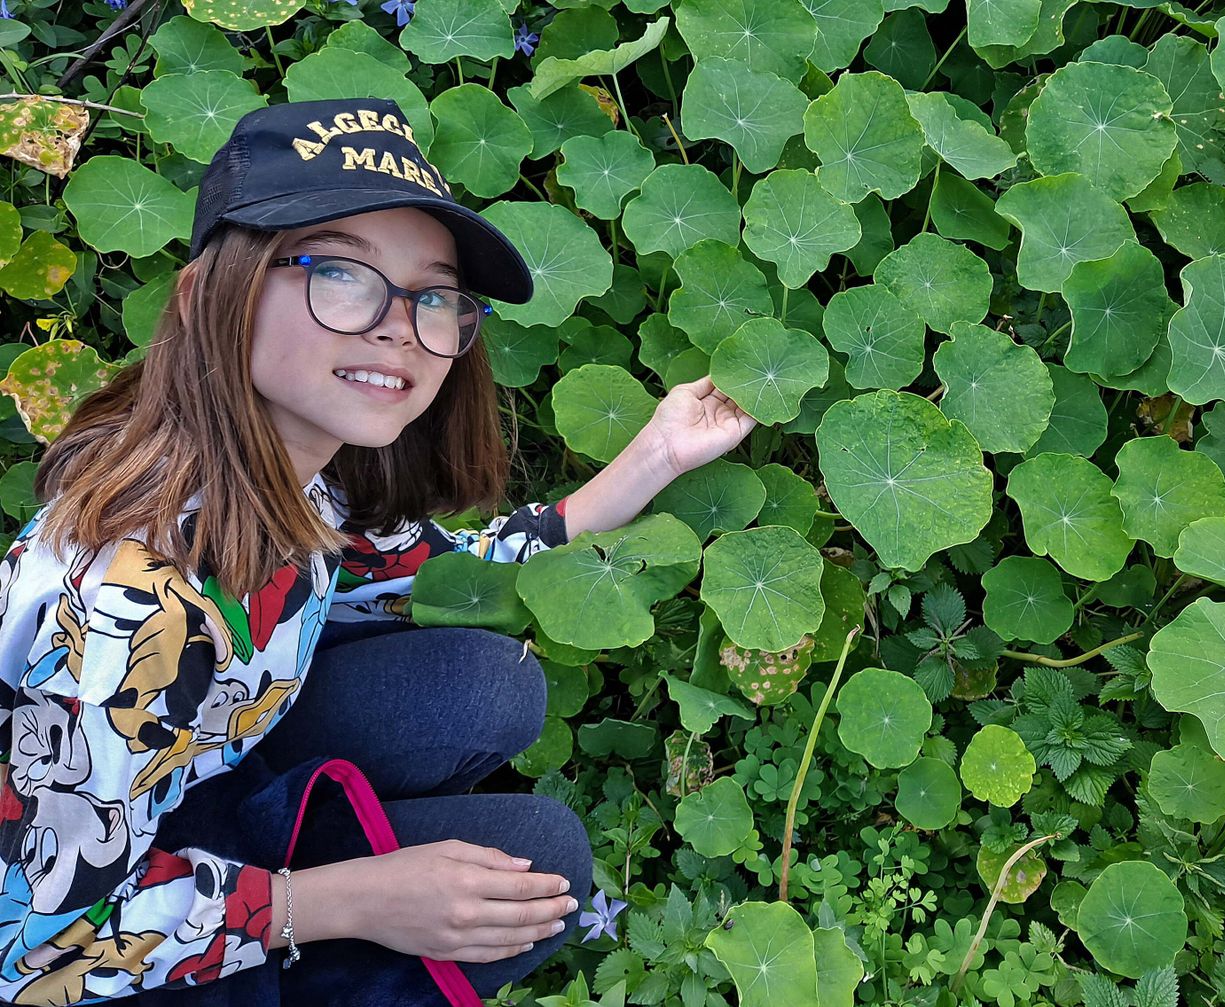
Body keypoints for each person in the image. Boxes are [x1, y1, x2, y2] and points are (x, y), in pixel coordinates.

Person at [0, 97, 757, 1006]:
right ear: (210, 294)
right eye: (345, 275)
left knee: (493, 686)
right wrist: (346, 900)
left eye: (433, 294)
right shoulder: (134, 609)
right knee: (544, 866)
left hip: (179, 786)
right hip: (66, 917)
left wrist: (658, 454)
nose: (402, 324)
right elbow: (30, 949)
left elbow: (445, 569)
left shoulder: (296, 481)